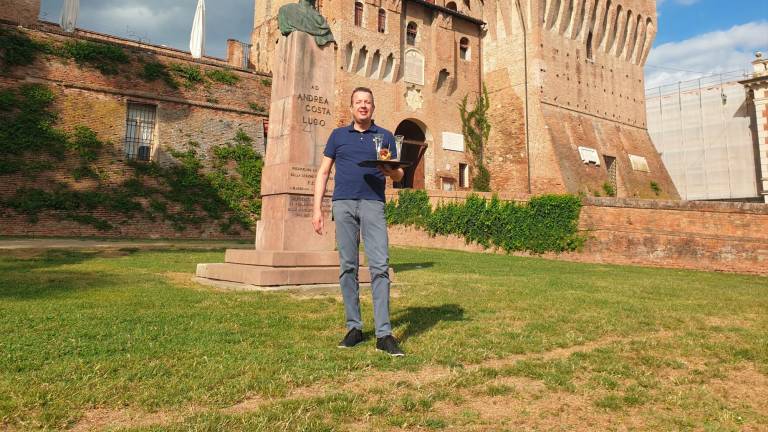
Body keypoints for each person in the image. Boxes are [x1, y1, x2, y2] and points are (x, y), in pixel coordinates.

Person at [312, 87, 405, 357]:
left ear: (373, 107)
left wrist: (390, 170)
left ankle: (384, 333)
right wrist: (316, 208)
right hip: (343, 204)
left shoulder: (385, 136)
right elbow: (323, 171)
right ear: (351, 107)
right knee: (348, 267)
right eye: (358, 102)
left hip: (373, 204)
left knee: (379, 266)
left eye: (367, 102)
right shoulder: (338, 136)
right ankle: (354, 327)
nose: (363, 106)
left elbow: (398, 174)